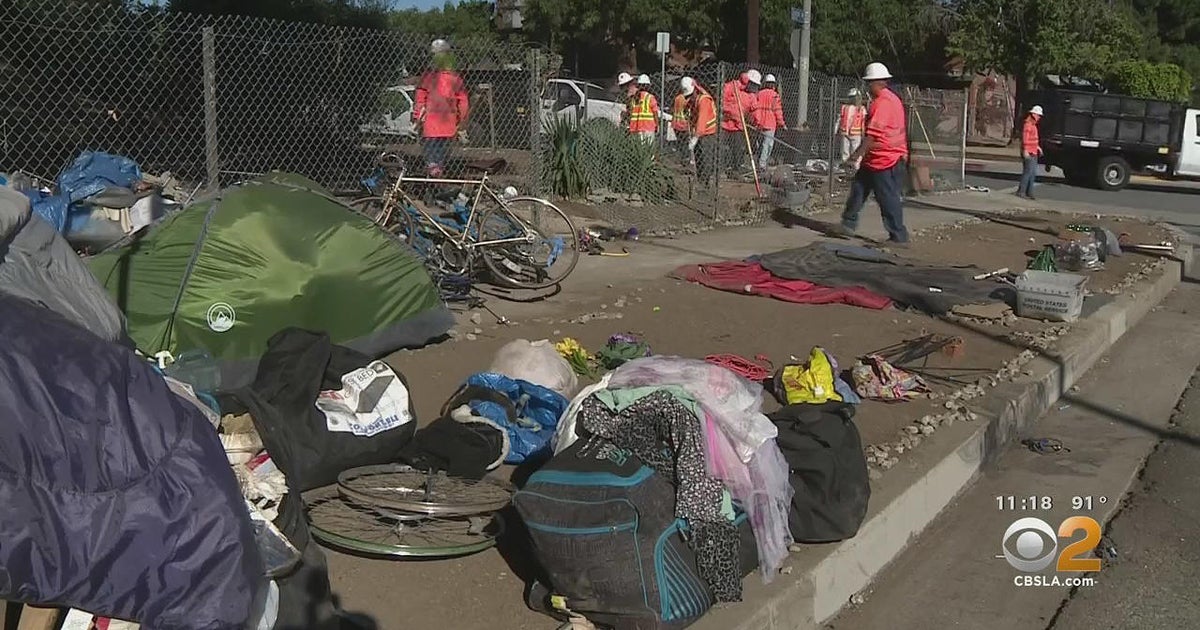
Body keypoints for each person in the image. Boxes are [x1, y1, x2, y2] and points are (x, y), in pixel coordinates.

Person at [837, 62, 910, 246]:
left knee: (887, 198)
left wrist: (856, 155)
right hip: (877, 158)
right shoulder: (892, 99)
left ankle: (898, 236)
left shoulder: (883, 103)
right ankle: (848, 223)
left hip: (886, 159)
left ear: (879, 83)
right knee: (859, 190)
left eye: (869, 83)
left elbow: (872, 135)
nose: (868, 87)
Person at [413, 38, 469, 177]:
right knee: (441, 156)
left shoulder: (427, 78)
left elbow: (420, 100)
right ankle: (437, 176)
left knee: (432, 156)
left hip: (430, 126)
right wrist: (461, 121)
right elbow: (463, 103)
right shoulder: (455, 79)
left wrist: (417, 118)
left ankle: (433, 177)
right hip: (449, 126)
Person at [721, 69, 759, 176]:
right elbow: (722, 103)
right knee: (723, 148)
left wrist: (756, 122)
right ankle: (722, 168)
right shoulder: (731, 87)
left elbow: (754, 110)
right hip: (725, 124)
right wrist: (734, 115)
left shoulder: (751, 95)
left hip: (738, 127)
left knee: (738, 148)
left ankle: (736, 169)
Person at [681, 76, 718, 186]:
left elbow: (702, 120)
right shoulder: (695, 100)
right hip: (700, 132)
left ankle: (705, 182)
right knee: (699, 158)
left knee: (705, 158)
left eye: (690, 96)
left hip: (708, 132)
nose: (689, 98)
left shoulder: (704, 100)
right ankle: (700, 179)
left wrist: (695, 138)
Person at [756, 73, 786, 170]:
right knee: (767, 145)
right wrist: (782, 123)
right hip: (770, 123)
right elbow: (777, 111)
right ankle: (762, 164)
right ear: (773, 84)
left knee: (760, 144)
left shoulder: (759, 94)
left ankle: (759, 162)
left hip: (759, 122)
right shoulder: (774, 96)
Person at [623, 73, 659, 144]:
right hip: (648, 127)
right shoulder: (650, 97)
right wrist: (657, 125)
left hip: (636, 127)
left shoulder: (633, 98)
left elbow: (629, 112)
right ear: (647, 85)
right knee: (649, 149)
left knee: (639, 149)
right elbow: (655, 112)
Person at [1018, 105, 1044, 199]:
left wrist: (1038, 147)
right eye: (1038, 115)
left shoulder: (1033, 125)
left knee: (1032, 173)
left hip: (1033, 151)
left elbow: (1033, 139)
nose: (1039, 117)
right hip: (1028, 152)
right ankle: (1022, 192)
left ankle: (1029, 192)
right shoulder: (1028, 125)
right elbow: (1025, 139)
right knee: (1027, 172)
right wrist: (1025, 150)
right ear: (1033, 114)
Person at [838, 88, 867, 164]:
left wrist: (863, 134)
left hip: (856, 134)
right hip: (845, 133)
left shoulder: (861, 108)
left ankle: (856, 167)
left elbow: (863, 122)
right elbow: (839, 119)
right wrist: (836, 130)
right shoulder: (844, 107)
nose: (854, 99)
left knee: (855, 151)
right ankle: (845, 167)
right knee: (844, 152)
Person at [672, 89, 692, 163]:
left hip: (675, 122)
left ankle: (682, 157)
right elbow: (687, 111)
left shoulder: (677, 98)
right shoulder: (686, 99)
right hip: (683, 123)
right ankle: (686, 158)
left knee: (680, 142)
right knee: (685, 142)